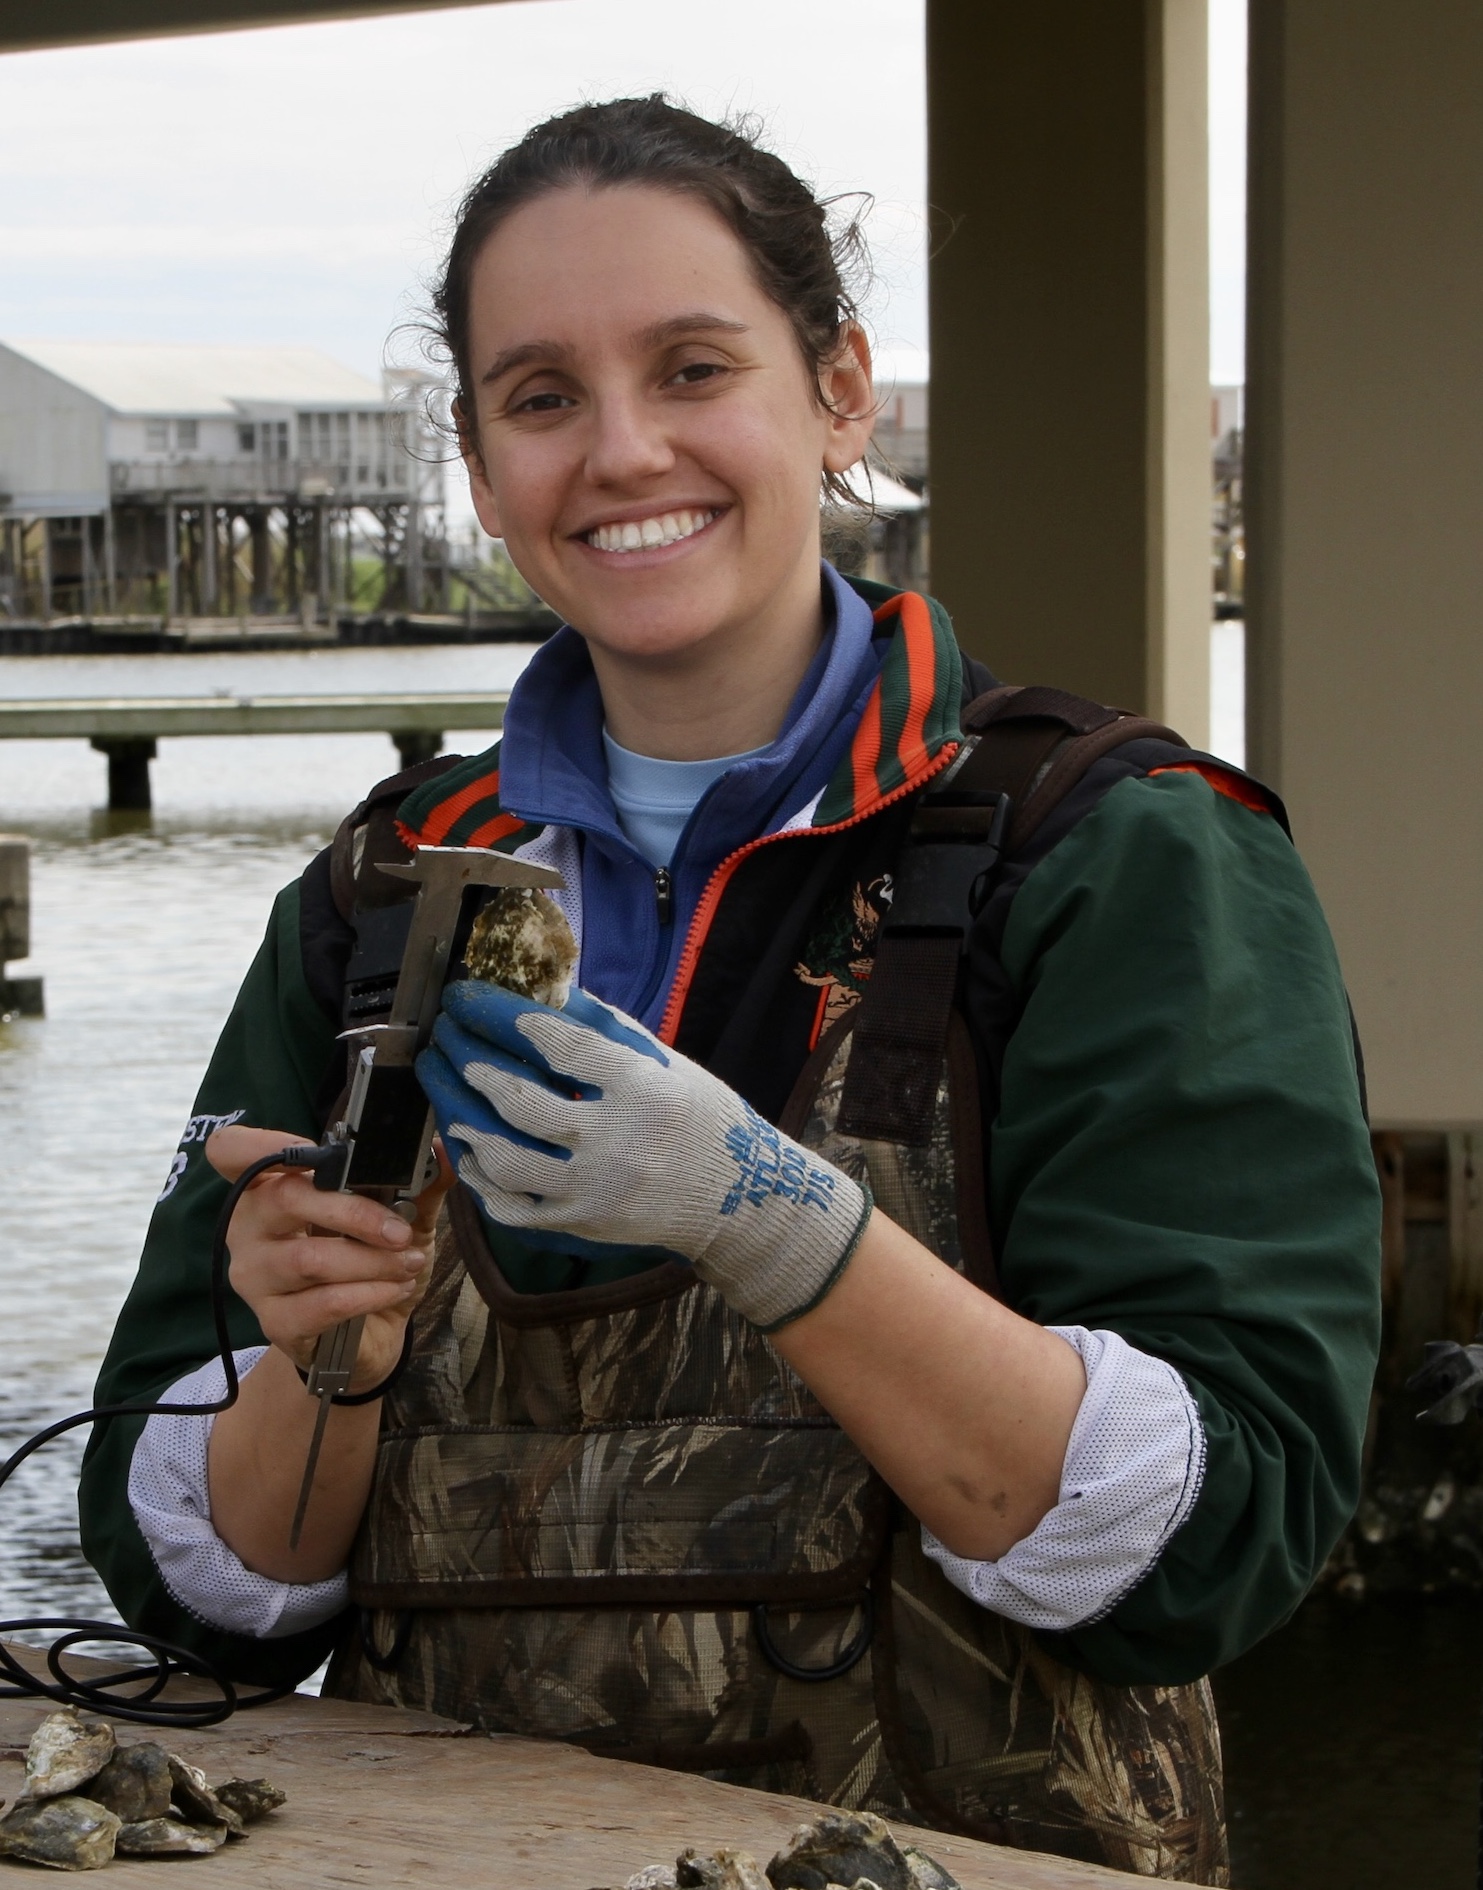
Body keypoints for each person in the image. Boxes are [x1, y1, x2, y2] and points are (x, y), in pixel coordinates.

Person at [81, 96, 1379, 1886]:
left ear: (839, 389)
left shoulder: (1122, 853)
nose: (620, 451)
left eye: (694, 367)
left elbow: (1220, 1542)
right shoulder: (367, 903)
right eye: (540, 398)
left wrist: (773, 1225)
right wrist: (325, 1358)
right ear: (476, 462)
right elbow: (209, 1603)